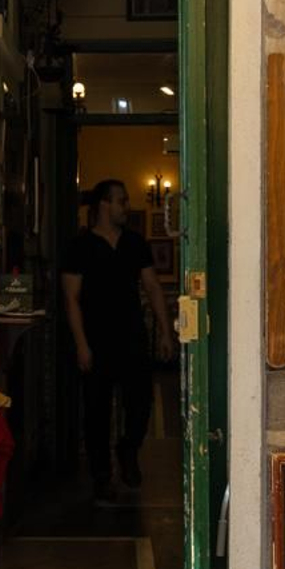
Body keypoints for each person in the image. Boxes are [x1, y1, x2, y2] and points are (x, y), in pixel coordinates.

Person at [61, 178, 175, 502]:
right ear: (103, 205)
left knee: (140, 403)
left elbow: (152, 287)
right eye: (121, 201)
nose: (127, 206)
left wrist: (166, 332)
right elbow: (71, 298)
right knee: (96, 410)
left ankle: (128, 449)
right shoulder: (79, 247)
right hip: (96, 338)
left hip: (132, 335)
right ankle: (101, 475)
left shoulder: (135, 243)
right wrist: (81, 344)